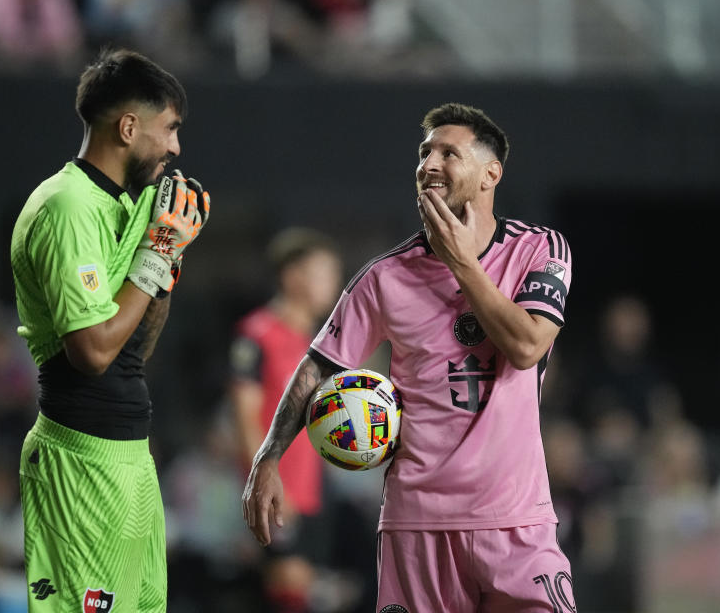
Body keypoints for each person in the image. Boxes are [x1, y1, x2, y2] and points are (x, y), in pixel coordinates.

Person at [243, 103, 576, 612]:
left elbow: (527, 346)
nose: (429, 164)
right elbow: (320, 366)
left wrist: (461, 263)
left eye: (449, 152)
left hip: (516, 520)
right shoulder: (384, 277)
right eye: (424, 153)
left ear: (492, 174)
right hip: (417, 525)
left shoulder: (539, 249)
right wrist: (268, 457)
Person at [10, 48, 210, 612]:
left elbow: (134, 347)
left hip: (130, 459)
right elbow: (93, 353)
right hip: (79, 464)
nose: (176, 147)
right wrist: (157, 253)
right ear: (128, 127)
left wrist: (167, 263)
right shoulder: (67, 208)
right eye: (169, 129)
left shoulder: (134, 203)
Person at [229, 228, 342, 612]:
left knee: (306, 589)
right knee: (288, 590)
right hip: (281, 490)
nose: (333, 284)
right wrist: (266, 477)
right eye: (323, 273)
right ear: (293, 277)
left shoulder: (318, 343)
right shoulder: (257, 335)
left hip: (313, 489)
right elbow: (245, 416)